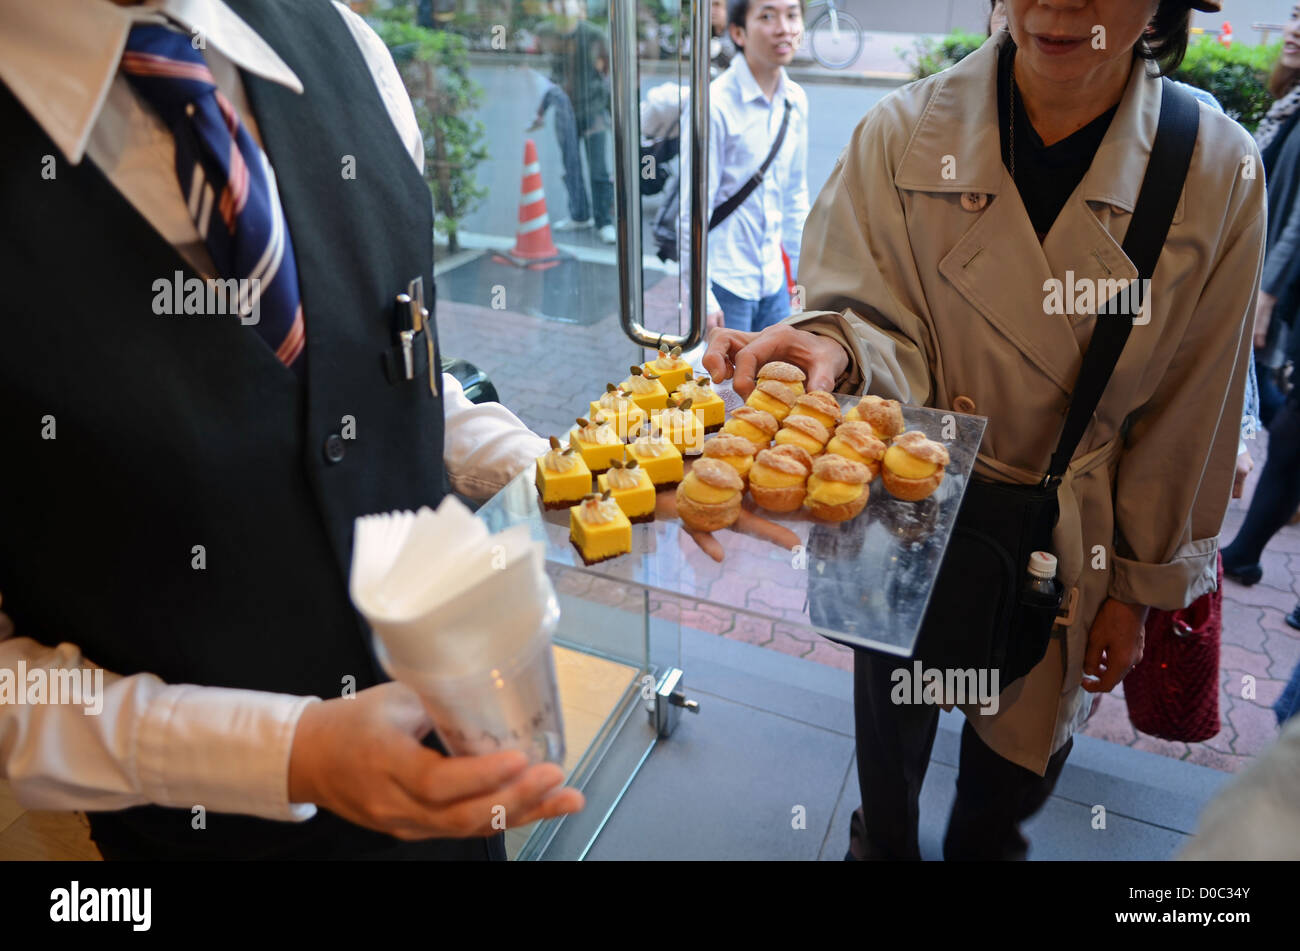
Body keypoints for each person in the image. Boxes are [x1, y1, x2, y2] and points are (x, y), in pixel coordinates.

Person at [0, 0, 584, 860]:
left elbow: (391, 359)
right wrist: (285, 752)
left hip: (460, 792)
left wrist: (555, 470)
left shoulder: (350, 49)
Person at [703, 0, 1260, 859]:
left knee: (1011, 768)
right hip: (902, 504)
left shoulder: (1217, 173)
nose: (1059, 3)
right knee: (889, 738)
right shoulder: (900, 133)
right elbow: (868, 314)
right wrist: (830, 343)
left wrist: (1137, 588)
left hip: (1065, 535)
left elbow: (1193, 408)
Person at [1221, 5, 1300, 589]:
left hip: (1283, 290)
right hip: (1272, 283)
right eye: (1295, 15)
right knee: (1281, 407)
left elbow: (1297, 222)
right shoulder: (1288, 106)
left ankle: (1245, 551)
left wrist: (1266, 295)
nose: (1294, 29)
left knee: (1286, 414)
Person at [679, 0, 810, 333]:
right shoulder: (714, 106)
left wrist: (800, 280)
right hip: (726, 286)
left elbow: (795, 197)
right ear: (738, 32)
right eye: (767, 16)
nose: (784, 27)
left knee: (777, 380)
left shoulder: (795, 100)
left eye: (792, 14)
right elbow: (692, 212)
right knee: (726, 386)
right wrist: (702, 298)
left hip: (774, 284)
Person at [533, 0, 616, 243]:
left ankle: (604, 221)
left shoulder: (592, 34)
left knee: (598, 168)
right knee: (571, 166)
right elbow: (551, 76)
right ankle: (579, 215)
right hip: (564, 112)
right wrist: (542, 109)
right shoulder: (546, 32)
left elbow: (608, 71)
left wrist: (610, 109)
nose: (561, 7)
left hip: (593, 110)